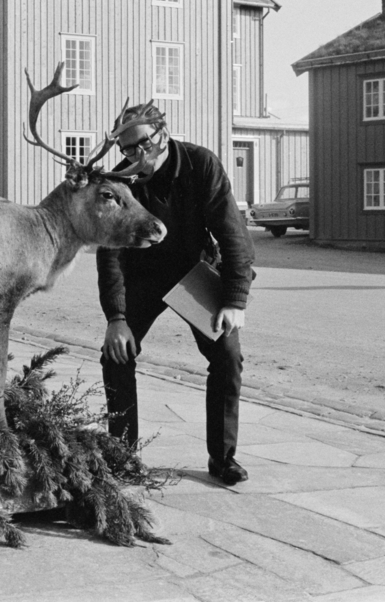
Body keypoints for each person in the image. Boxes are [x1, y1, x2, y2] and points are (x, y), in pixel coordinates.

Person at [96, 102, 255, 485]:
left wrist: (234, 300)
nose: (135, 156)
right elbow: (110, 254)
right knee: (116, 355)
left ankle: (222, 459)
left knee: (228, 355)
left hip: (193, 271)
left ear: (162, 135)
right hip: (142, 275)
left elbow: (233, 233)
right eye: (127, 150)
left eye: (142, 145)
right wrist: (116, 318)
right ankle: (122, 457)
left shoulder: (202, 165)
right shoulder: (120, 182)